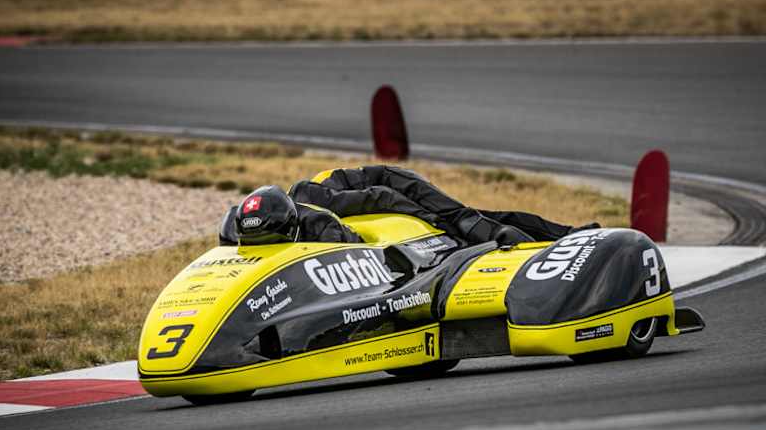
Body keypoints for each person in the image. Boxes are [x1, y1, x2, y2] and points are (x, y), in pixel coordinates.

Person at [288, 165, 595, 245]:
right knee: (474, 219)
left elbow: (383, 196)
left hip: (393, 182)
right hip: (373, 191)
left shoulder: (323, 207)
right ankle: (565, 233)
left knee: (466, 222)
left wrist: (433, 222)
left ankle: (562, 239)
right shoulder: (285, 219)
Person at [219, 185, 362, 245]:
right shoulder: (231, 229)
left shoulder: (322, 227)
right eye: (252, 243)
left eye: (271, 241)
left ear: (290, 230)